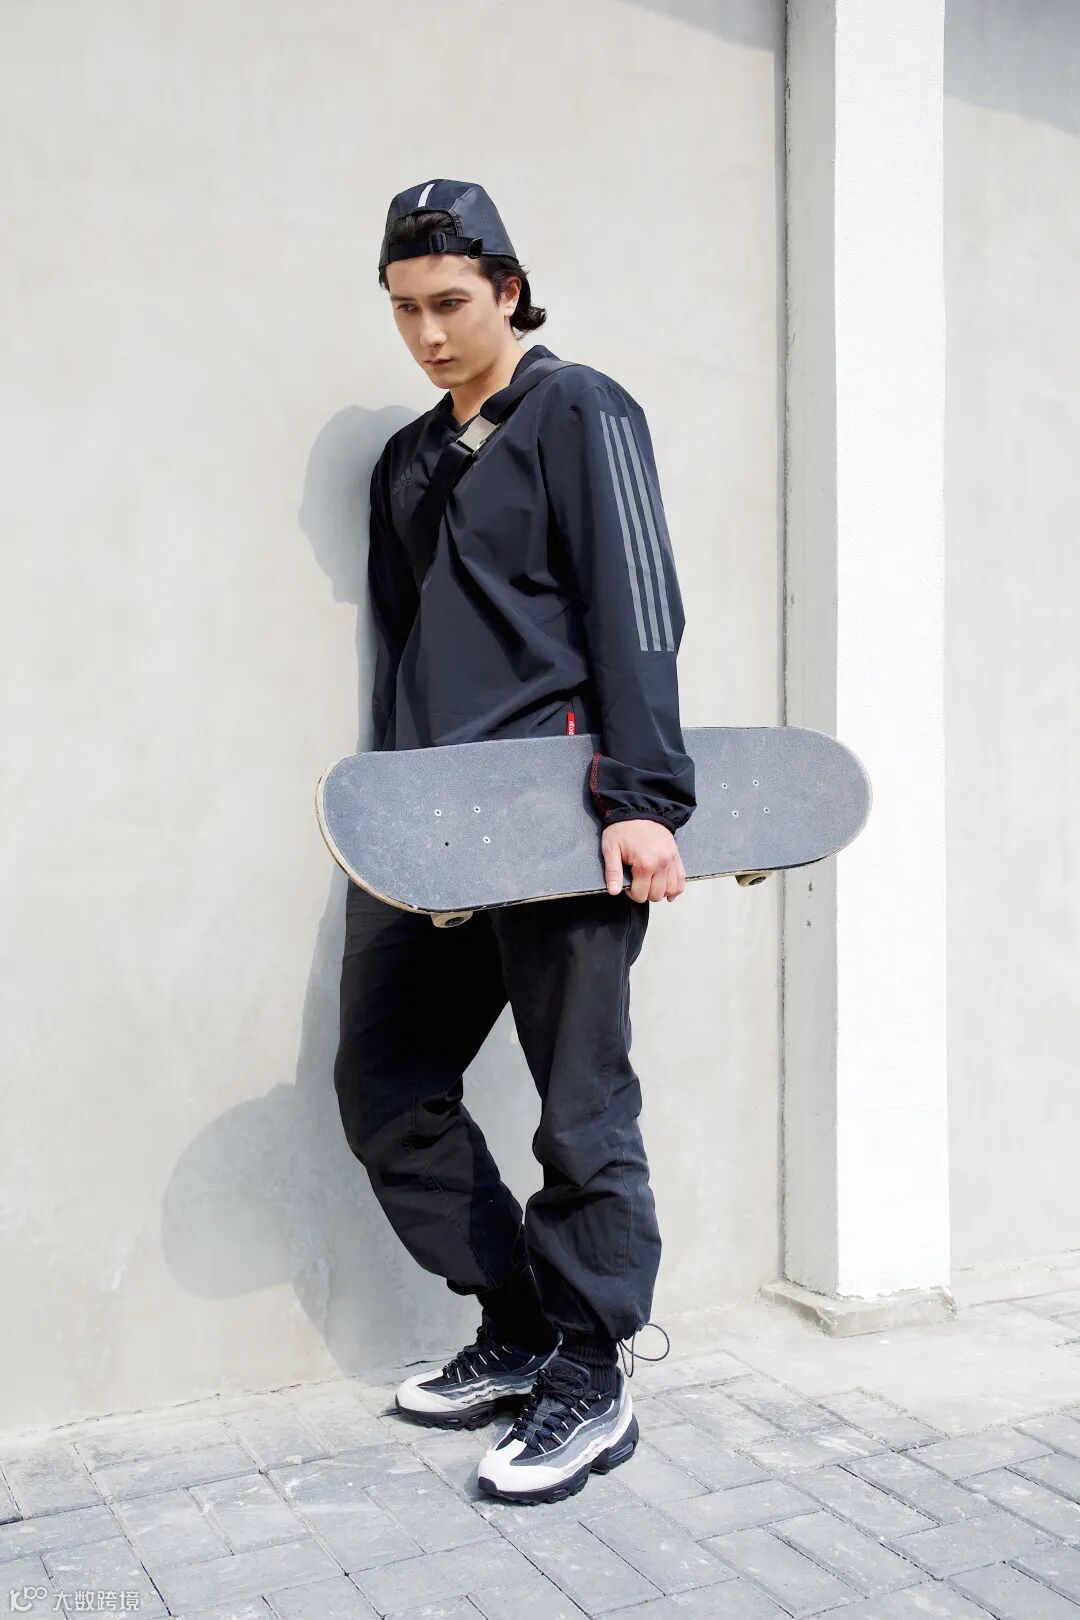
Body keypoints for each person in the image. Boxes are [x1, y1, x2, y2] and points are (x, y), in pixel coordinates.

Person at [332, 178, 697, 1504]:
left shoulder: (580, 410)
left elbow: (638, 605)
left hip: (563, 817)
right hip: (432, 829)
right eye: (404, 310)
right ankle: (522, 1319)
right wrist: (391, 815)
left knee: (579, 1107)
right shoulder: (407, 461)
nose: (427, 333)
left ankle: (594, 1371)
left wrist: (644, 796)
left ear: (507, 288)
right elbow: (405, 649)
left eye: (449, 302)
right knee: (385, 1089)